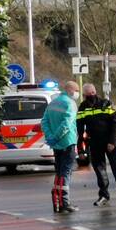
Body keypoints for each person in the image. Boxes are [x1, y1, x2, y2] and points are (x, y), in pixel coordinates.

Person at [77, 83, 116, 207]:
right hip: (94, 143)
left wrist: (112, 141)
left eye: (92, 93)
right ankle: (104, 194)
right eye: (88, 95)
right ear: (84, 96)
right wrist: (81, 150)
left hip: (109, 141)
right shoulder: (82, 107)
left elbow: (115, 124)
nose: (90, 96)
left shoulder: (106, 103)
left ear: (95, 92)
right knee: (100, 170)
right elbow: (80, 129)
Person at [41, 80, 80, 214]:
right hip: (67, 142)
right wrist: (57, 136)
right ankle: (64, 203)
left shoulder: (53, 102)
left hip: (56, 144)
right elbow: (67, 124)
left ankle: (56, 202)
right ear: (71, 90)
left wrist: (50, 136)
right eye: (77, 91)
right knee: (66, 173)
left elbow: (44, 121)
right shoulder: (70, 103)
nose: (77, 94)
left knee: (59, 172)